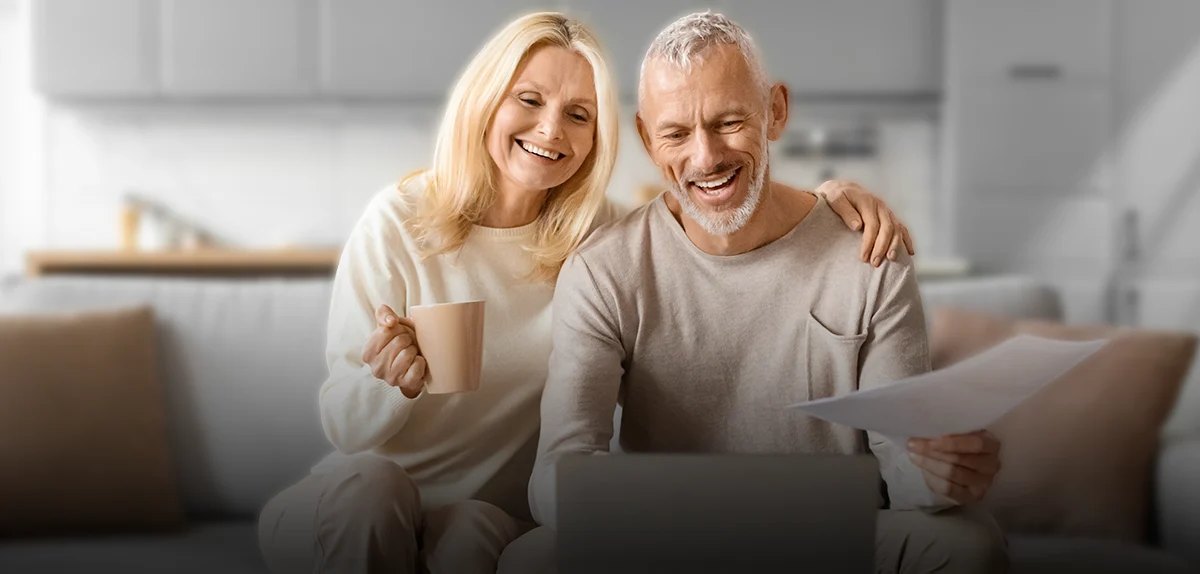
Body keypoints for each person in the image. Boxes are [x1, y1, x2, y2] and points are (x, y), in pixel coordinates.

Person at [257, 11, 917, 574]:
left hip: (480, 511)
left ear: (600, 135)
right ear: (486, 98)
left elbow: (713, 203)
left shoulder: (591, 241)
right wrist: (386, 381)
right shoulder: (399, 220)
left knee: (479, 542)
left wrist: (833, 198)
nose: (550, 131)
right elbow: (344, 428)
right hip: (362, 496)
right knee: (372, 489)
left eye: (577, 114)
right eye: (529, 100)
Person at [500, 11, 1008, 574]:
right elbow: (555, 478)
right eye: (676, 133)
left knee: (968, 542)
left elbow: (902, 468)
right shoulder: (604, 270)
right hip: (669, 540)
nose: (706, 157)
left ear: (776, 112)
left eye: (729, 122)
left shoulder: (869, 255)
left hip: (832, 541)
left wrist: (939, 475)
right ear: (647, 138)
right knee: (531, 559)